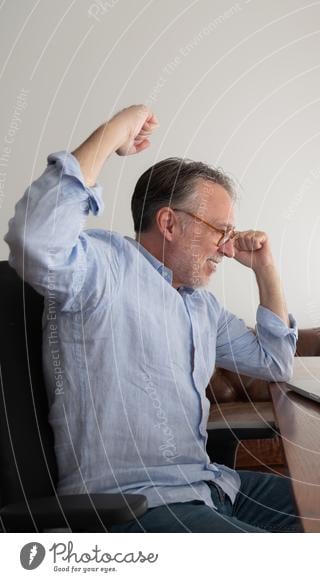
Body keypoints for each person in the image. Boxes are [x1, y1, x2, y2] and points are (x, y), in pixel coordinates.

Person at [4, 105, 301, 532]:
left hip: (210, 486)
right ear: (169, 223)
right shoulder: (104, 270)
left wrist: (265, 269)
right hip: (134, 506)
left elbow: (275, 363)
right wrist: (112, 133)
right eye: (220, 230)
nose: (226, 247)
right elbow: (35, 242)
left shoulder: (202, 305)